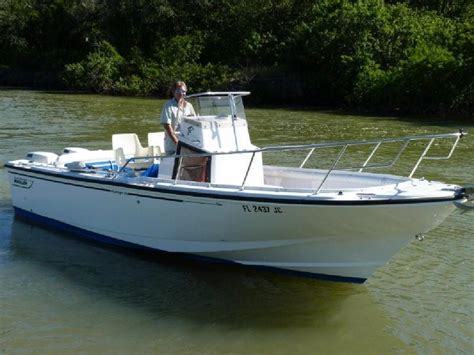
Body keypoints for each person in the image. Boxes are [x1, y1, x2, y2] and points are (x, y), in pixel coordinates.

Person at [160, 81, 195, 154]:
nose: (181, 93)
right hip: (172, 147)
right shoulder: (168, 105)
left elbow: (195, 123)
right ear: (173, 91)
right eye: (178, 91)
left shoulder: (189, 106)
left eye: (184, 91)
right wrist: (178, 143)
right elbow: (167, 126)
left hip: (187, 144)